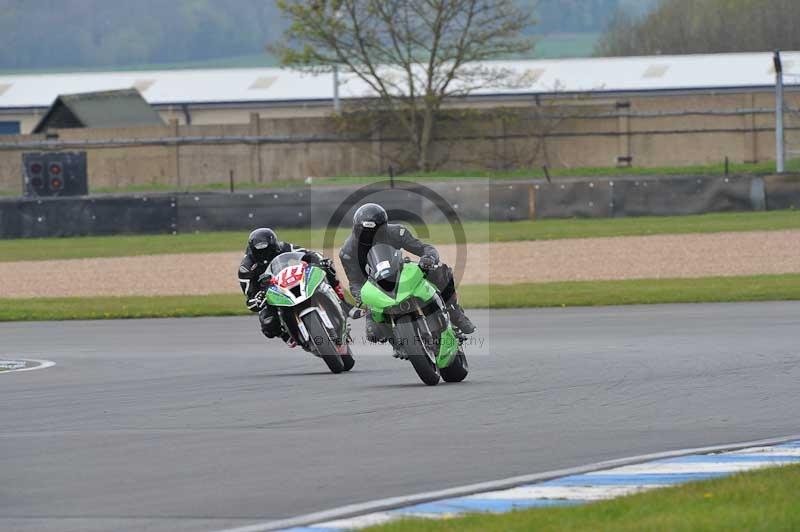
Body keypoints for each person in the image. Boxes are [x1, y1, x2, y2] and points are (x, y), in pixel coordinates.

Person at [339, 203, 475, 343]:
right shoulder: (348, 252)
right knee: (373, 334)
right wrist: (360, 296)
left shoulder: (397, 232)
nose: (370, 237)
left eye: (375, 232)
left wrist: (428, 258)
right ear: (356, 230)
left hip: (399, 272)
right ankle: (397, 343)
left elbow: (424, 248)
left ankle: (455, 313)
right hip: (375, 287)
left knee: (440, 270)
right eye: (365, 233)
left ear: (384, 227)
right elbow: (355, 281)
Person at [238, 228, 361, 346]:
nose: (265, 255)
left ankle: (344, 305)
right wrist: (258, 298)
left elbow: (309, 254)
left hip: (292, 279)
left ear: (274, 245)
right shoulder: (246, 268)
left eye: (268, 251)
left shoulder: (284, 247)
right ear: (253, 251)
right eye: (260, 252)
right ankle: (287, 336)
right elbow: (250, 299)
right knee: (268, 322)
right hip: (271, 292)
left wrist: (320, 261)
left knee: (327, 268)